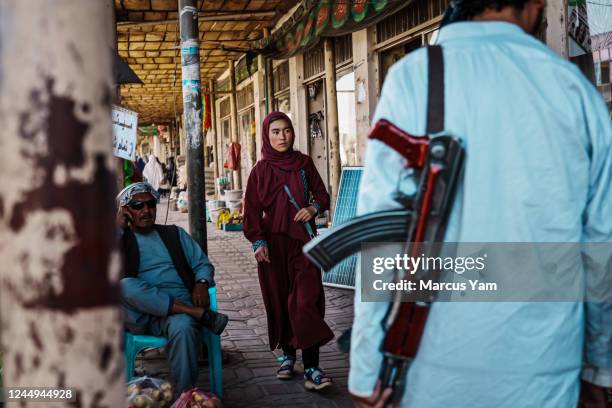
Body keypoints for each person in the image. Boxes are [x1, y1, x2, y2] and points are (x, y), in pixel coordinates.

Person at [349, 0, 612, 407]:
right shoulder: (573, 88)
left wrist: (366, 369)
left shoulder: (414, 77)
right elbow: (602, 246)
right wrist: (599, 366)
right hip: (545, 366)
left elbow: (381, 230)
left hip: (432, 364)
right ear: (538, 3)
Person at [243, 112, 335, 390]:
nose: (282, 137)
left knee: (306, 301)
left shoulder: (304, 164)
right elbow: (251, 212)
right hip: (273, 247)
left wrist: (313, 208)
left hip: (304, 243)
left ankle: (312, 367)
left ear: (293, 133)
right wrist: (258, 243)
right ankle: (287, 356)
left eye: (286, 131)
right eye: (275, 132)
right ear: (266, 136)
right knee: (281, 301)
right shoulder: (260, 171)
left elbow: (322, 195)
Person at [117, 182, 229, 393]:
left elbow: (202, 264)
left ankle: (184, 398)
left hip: (175, 315)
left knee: (184, 327)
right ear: (126, 211)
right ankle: (196, 313)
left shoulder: (174, 234)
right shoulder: (120, 239)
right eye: (137, 206)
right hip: (142, 314)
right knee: (124, 285)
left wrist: (202, 283)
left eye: (150, 204)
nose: (146, 211)